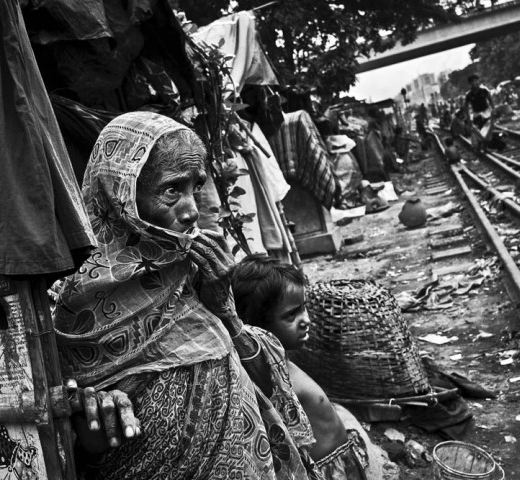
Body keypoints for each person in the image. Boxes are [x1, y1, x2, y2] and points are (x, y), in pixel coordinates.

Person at [54, 111, 315, 479]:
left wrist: (225, 309)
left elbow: (265, 383)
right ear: (122, 193)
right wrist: (89, 405)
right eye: (172, 189)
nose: (192, 210)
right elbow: (67, 432)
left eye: (197, 186)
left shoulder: (197, 273)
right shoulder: (70, 301)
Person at [231, 255, 372, 479]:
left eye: (302, 308)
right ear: (258, 328)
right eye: (291, 315)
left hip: (340, 462)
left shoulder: (282, 361)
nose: (305, 319)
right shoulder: (270, 378)